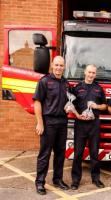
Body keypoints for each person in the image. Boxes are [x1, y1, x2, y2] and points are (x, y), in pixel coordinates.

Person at [33, 56, 69, 195]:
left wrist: (69, 107)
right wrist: (40, 123)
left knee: (60, 154)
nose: (59, 67)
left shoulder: (66, 83)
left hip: (62, 123)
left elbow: (68, 101)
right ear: (52, 66)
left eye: (61, 65)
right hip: (48, 123)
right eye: (57, 65)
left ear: (64, 67)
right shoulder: (44, 81)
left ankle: (57, 180)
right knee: (45, 154)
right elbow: (37, 102)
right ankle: (40, 182)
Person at [70, 64, 107, 190]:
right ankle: (75, 181)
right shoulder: (77, 88)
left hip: (94, 124)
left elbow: (105, 106)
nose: (91, 75)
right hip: (80, 124)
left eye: (93, 73)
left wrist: (96, 106)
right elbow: (71, 105)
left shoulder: (98, 89)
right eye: (89, 72)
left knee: (94, 153)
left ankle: (96, 179)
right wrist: (77, 115)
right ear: (85, 72)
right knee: (78, 153)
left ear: (95, 74)